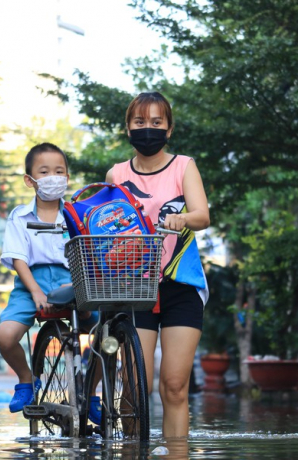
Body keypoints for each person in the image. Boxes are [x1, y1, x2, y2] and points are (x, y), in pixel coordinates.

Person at [106, 91, 210, 439]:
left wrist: (183, 218)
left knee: (175, 386)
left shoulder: (184, 165)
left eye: (155, 122)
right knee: (134, 388)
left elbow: (202, 215)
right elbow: (104, 224)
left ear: (169, 128)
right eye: (139, 122)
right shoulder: (116, 174)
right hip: (134, 286)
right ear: (128, 128)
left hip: (181, 283)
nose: (147, 129)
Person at [0, 142, 96, 413]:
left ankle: (93, 392)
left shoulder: (78, 214)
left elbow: (88, 253)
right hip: (31, 283)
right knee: (5, 336)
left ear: (67, 177)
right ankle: (27, 380)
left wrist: (76, 284)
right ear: (30, 180)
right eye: (44, 171)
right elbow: (19, 260)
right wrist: (37, 292)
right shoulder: (20, 216)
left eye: (59, 171)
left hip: (73, 279)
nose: (53, 177)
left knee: (108, 332)